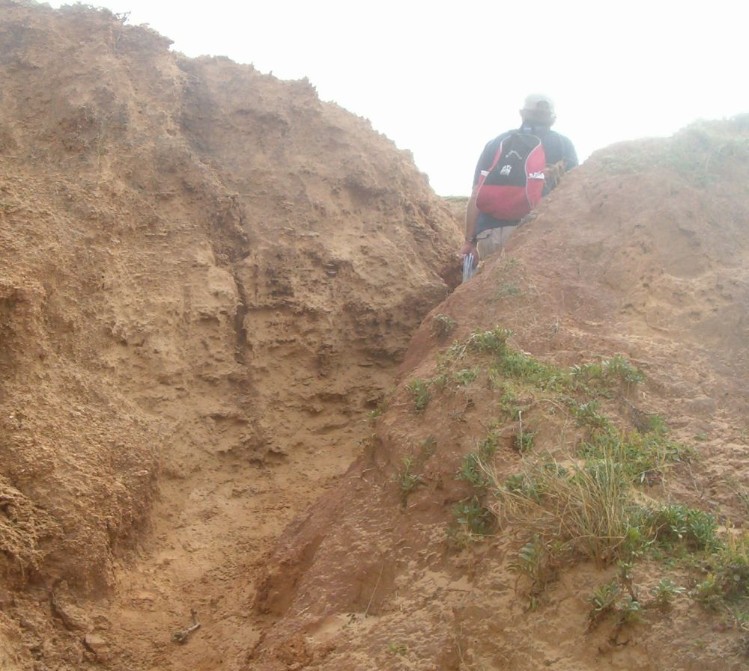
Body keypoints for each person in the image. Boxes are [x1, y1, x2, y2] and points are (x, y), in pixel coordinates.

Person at [461, 93, 578, 266]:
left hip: (490, 233)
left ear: (522, 113)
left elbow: (476, 194)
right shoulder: (562, 144)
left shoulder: (497, 142)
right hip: (532, 232)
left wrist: (469, 242)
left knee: (492, 286)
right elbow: (573, 192)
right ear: (553, 119)